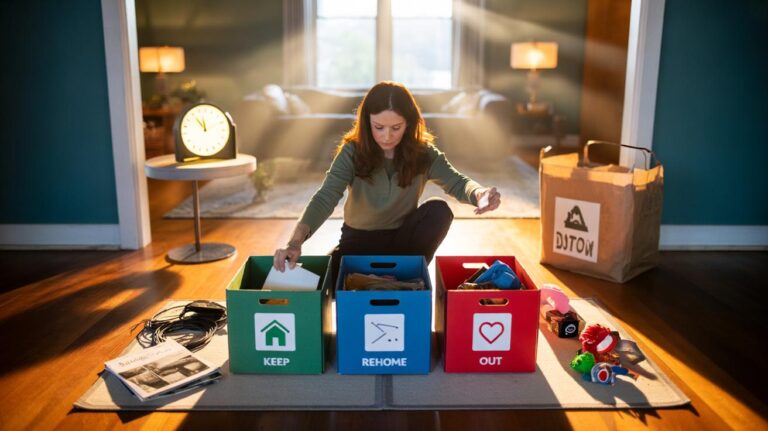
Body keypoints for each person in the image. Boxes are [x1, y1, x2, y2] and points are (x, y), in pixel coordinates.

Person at [273, 81, 501, 282]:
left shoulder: (423, 153)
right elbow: (325, 196)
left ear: (409, 124)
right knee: (313, 286)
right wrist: (295, 242)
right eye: (379, 127)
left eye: (396, 127)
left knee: (439, 210)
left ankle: (402, 277)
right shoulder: (352, 152)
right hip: (357, 243)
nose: (387, 136)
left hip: (403, 243)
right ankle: (384, 280)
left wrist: (479, 194)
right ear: (366, 122)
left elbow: (458, 182)